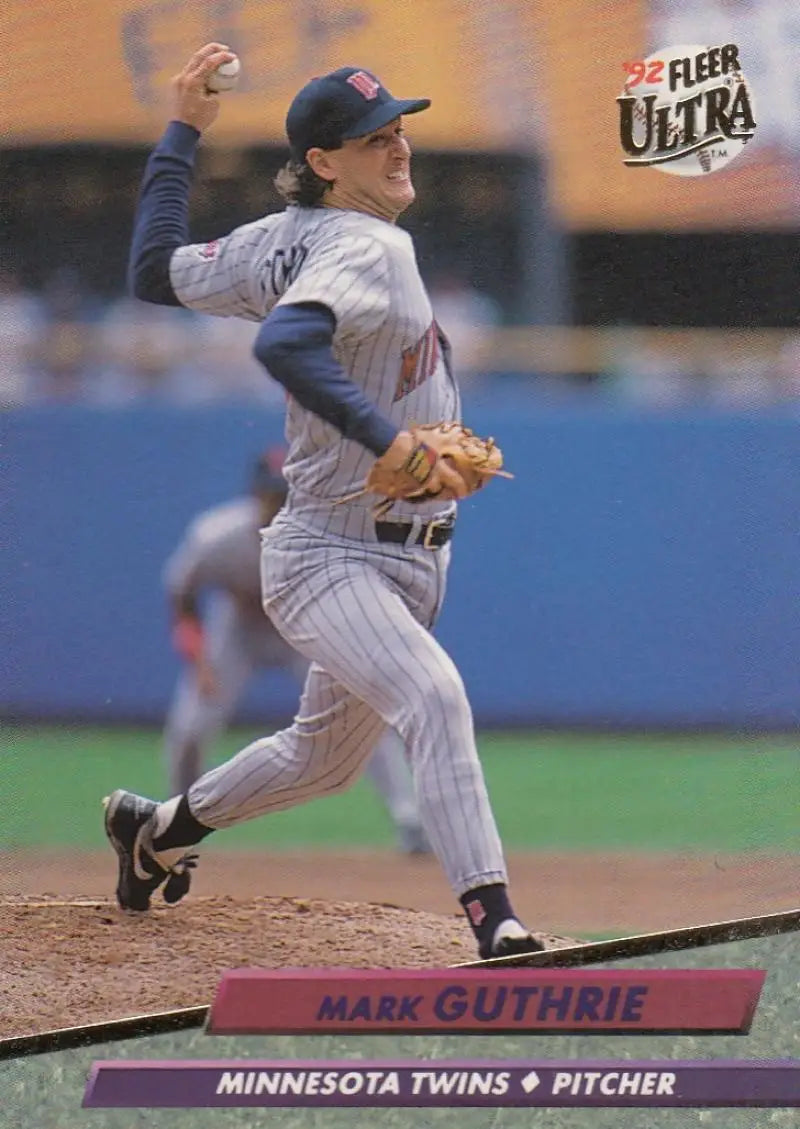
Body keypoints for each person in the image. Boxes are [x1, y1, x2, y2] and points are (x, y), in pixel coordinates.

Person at [104, 43, 545, 959]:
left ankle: (159, 833)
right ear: (322, 162)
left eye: (398, 129)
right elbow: (285, 350)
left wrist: (184, 129)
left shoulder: (276, 239)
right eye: (372, 138)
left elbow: (154, 270)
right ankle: (495, 919)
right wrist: (390, 439)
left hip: (399, 552)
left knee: (324, 758)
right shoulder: (369, 244)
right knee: (434, 696)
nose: (398, 147)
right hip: (333, 550)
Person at [163, 448, 432, 854]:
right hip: (238, 629)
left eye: (284, 494)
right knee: (191, 726)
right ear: (253, 494)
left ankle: (407, 818)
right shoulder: (217, 536)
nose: (276, 503)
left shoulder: (319, 537)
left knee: (360, 711)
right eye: (269, 494)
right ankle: (174, 823)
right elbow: (182, 594)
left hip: (299, 627)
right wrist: (199, 661)